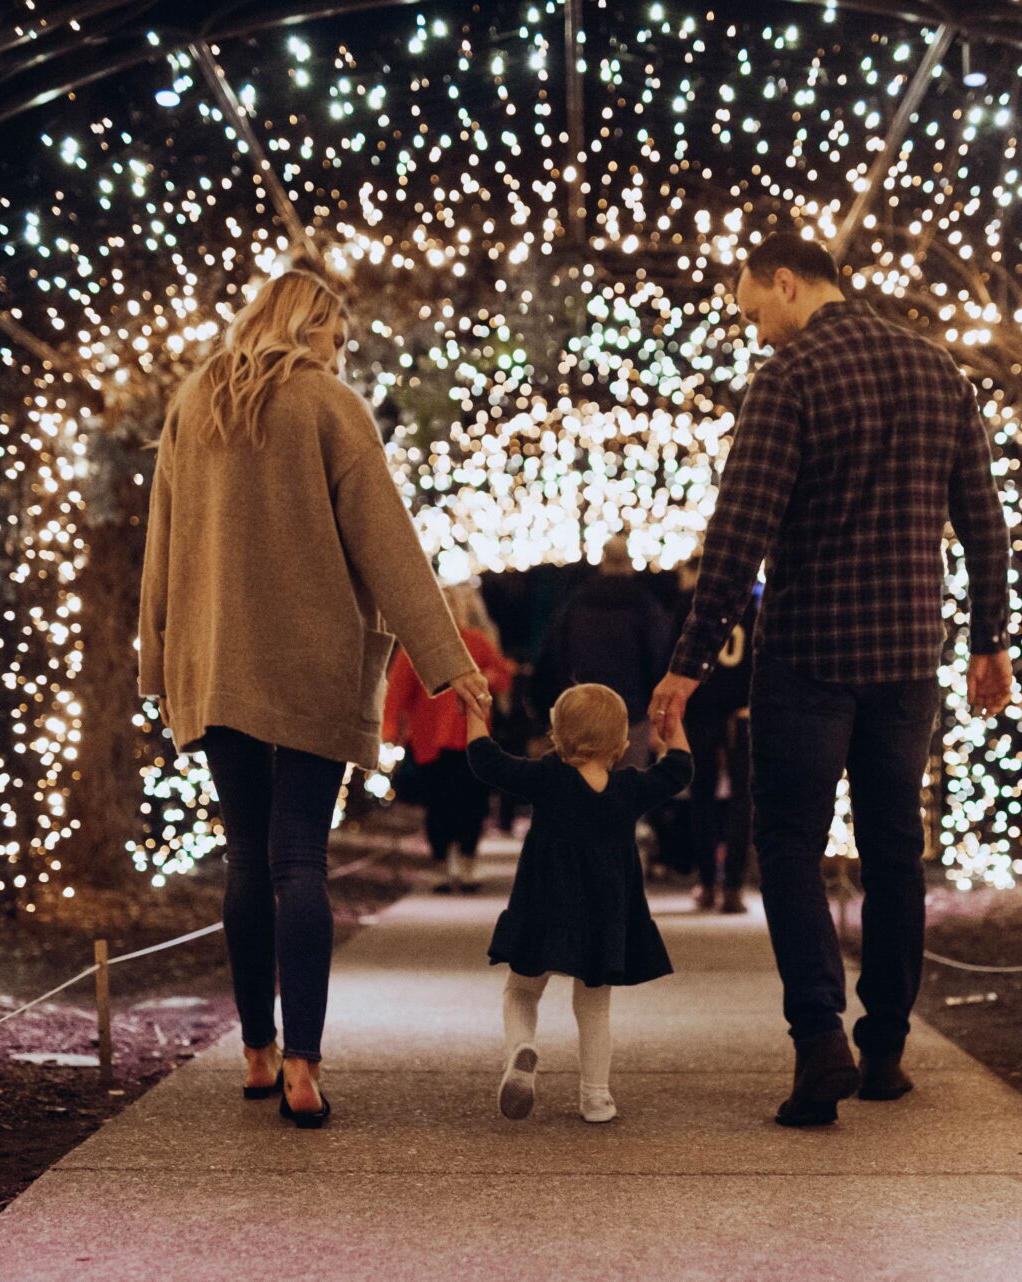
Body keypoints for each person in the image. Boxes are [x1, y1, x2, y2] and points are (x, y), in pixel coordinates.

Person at [650, 232, 1015, 1128]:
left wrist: (687, 666)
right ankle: (884, 1048)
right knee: (895, 849)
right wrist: (990, 639)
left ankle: (819, 1040)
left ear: (788, 283)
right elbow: (984, 519)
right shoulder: (939, 373)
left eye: (755, 312)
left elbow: (740, 532)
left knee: (788, 845)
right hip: (906, 660)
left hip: (810, 657)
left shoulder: (790, 379)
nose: (756, 333)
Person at [138, 268, 494, 1129]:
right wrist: (448, 660)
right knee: (299, 859)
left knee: (243, 854)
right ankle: (303, 1067)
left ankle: (255, 1052)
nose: (341, 352)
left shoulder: (195, 404)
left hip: (216, 658)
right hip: (311, 659)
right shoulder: (329, 406)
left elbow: (161, 540)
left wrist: (155, 660)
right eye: (338, 337)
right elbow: (388, 545)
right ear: (313, 328)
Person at [465, 684, 692, 1124]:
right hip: (602, 917)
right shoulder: (628, 790)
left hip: (543, 909)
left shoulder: (546, 779)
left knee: (521, 991)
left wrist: (476, 714)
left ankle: (521, 1050)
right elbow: (678, 771)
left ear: (556, 737)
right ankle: (596, 1097)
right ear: (623, 743)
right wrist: (672, 731)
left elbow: (486, 761)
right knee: (593, 1008)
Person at [384, 582, 516, 892]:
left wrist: (488, 679)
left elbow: (503, 676)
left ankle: (467, 862)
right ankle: (445, 863)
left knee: (472, 802)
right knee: (439, 804)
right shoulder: (415, 650)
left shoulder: (476, 642)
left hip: (471, 736)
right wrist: (390, 728)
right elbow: (397, 691)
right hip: (432, 739)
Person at [530, 536, 670, 768]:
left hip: (582, 710)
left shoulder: (575, 602)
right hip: (631, 712)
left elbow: (553, 656)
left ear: (602, 561)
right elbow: (658, 656)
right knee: (628, 789)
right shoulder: (644, 606)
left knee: (584, 788)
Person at [669, 555, 759, 913]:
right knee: (742, 801)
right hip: (741, 714)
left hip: (702, 711)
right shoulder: (750, 609)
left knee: (701, 798)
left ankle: (706, 882)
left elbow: (675, 657)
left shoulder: (692, 610)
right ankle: (733, 885)